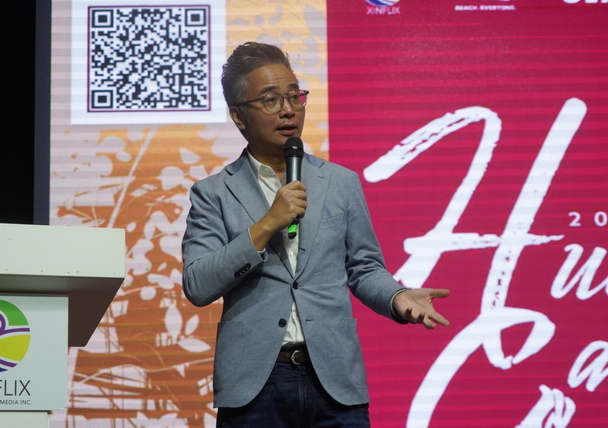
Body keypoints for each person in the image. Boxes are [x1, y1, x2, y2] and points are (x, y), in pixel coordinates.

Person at [181, 41, 450, 428]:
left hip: (334, 379)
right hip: (255, 385)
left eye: (295, 95)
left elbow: (364, 268)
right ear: (239, 116)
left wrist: (397, 296)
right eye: (271, 100)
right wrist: (266, 224)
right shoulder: (213, 193)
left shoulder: (340, 182)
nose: (288, 109)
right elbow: (198, 284)